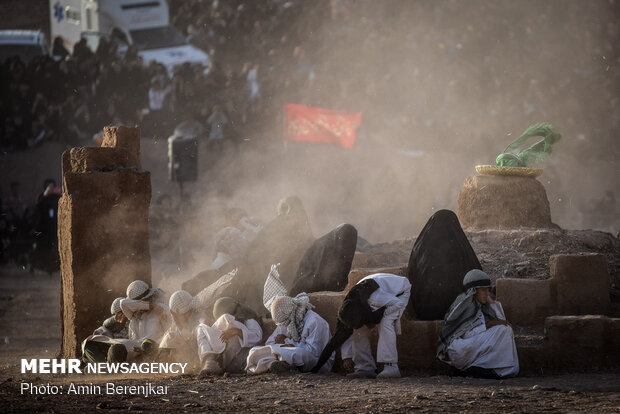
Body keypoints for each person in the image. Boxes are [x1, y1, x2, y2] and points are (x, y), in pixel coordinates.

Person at [312, 273, 411, 378]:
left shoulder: (375, 298)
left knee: (385, 322)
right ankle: (365, 367)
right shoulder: (347, 310)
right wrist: (315, 369)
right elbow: (333, 343)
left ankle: (391, 367)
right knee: (358, 330)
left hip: (399, 292)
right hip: (378, 290)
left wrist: (376, 318)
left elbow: (397, 304)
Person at [437, 269, 519, 379]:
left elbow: (501, 320)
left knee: (505, 329)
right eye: (483, 290)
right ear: (474, 291)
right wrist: (489, 324)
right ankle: (486, 368)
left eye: (488, 290)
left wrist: (490, 302)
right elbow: (466, 334)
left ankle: (481, 368)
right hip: (460, 350)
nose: (487, 293)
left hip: (472, 346)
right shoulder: (465, 305)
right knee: (503, 330)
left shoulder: (482, 305)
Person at [246, 293, 333, 374]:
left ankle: (277, 365)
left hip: (318, 362)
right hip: (288, 353)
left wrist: (288, 343)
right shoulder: (285, 320)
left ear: (291, 312)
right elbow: (269, 343)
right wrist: (282, 345)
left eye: (284, 322)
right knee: (254, 350)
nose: (283, 326)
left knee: (294, 353)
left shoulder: (314, 321)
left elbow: (314, 352)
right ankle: (279, 365)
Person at [197, 297, 263, 375]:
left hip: (239, 359)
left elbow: (258, 337)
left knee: (232, 323)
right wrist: (208, 326)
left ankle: (218, 364)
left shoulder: (249, 321)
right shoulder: (222, 322)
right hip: (221, 357)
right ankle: (210, 361)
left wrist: (237, 332)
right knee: (201, 327)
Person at [81, 297, 139, 364]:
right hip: (109, 353)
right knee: (88, 344)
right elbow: (105, 325)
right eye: (116, 315)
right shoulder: (111, 327)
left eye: (121, 313)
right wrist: (115, 319)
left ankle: (104, 368)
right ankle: (99, 366)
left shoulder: (133, 323)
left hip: (123, 353)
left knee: (115, 349)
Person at [120, 280, 172, 353]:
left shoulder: (161, 309)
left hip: (157, 352)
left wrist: (153, 348)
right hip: (138, 354)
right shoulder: (134, 317)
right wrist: (151, 306)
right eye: (139, 303)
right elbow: (123, 303)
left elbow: (170, 334)